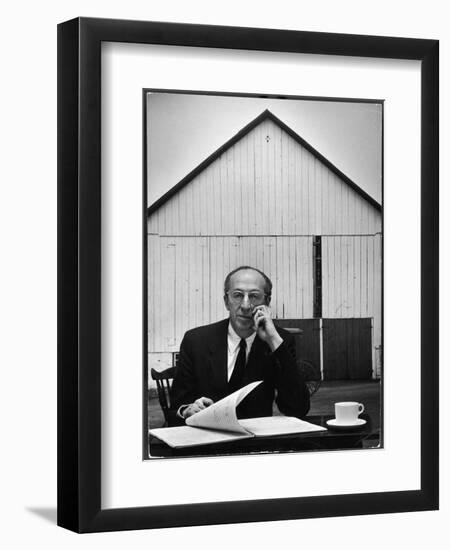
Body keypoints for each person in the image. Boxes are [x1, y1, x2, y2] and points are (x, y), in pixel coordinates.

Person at [170, 266, 310, 424]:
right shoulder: (196, 341)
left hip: (256, 440)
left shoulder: (279, 340)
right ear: (226, 301)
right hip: (208, 437)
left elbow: (298, 408)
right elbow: (176, 407)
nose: (245, 305)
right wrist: (188, 410)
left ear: (267, 302)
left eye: (254, 296)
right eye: (237, 295)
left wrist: (274, 341)